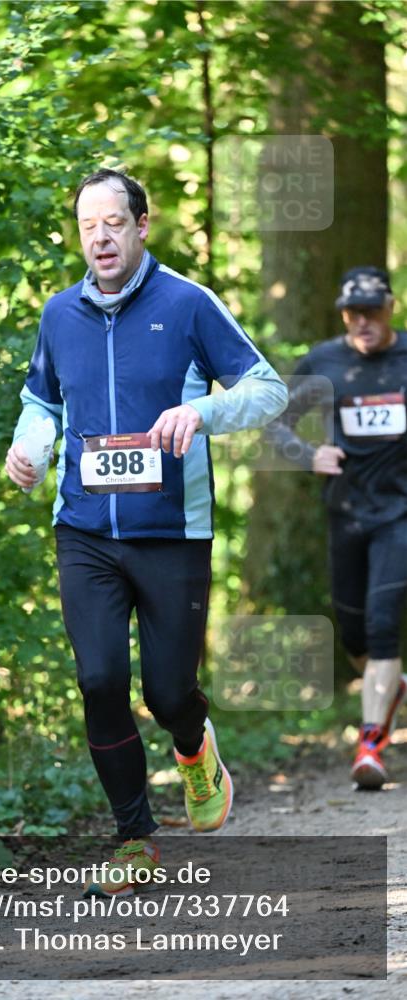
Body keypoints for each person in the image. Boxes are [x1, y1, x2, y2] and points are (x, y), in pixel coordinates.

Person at [5, 168, 288, 897]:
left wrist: (204, 414)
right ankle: (133, 838)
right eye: (86, 226)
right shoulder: (58, 314)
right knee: (99, 681)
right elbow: (41, 402)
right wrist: (30, 449)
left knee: (167, 694)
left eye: (112, 223)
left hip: (172, 533)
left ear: (141, 225)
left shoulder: (187, 304)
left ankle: (194, 750)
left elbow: (267, 387)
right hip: (84, 532)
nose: (98, 237)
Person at [268, 266, 407, 789]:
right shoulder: (324, 362)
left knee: (382, 621)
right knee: (353, 633)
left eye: (372, 309)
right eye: (353, 312)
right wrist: (309, 455)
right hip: (346, 515)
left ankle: (371, 742)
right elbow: (275, 422)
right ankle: (389, 689)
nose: (363, 321)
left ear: (390, 306)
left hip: (400, 515)